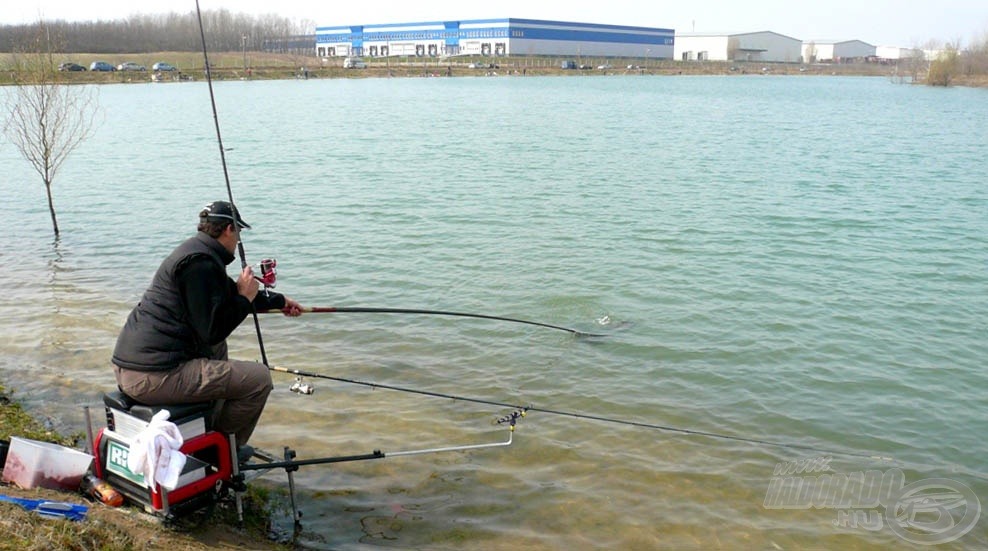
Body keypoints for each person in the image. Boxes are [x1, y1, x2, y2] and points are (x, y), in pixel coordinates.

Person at [112, 200, 303, 462]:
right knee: (259, 379)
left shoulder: (197, 253)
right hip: (150, 376)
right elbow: (212, 329)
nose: (238, 241)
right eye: (238, 233)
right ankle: (221, 452)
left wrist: (279, 302)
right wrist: (244, 299)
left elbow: (230, 296)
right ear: (228, 229)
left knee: (217, 351)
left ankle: (208, 434)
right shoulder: (200, 264)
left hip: (138, 367)